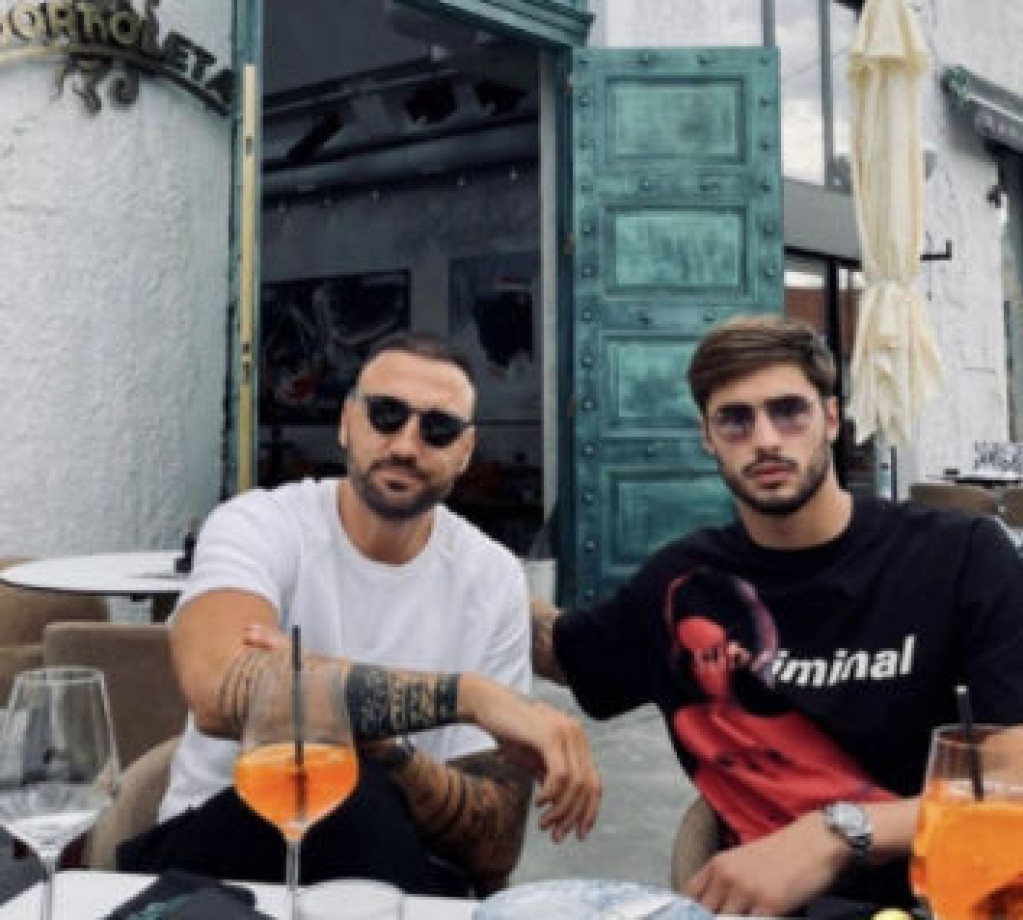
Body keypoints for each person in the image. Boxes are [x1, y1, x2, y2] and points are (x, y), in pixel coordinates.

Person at [531, 315, 1023, 915]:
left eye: (789, 411)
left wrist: (836, 833)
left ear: (832, 419)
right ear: (707, 436)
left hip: (951, 898)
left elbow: (1011, 795)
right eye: (735, 420)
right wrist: (450, 543)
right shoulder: (681, 587)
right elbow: (555, 647)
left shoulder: (960, 557)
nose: (765, 439)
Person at [119, 331, 600, 895]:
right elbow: (217, 687)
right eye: (386, 415)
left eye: (438, 429)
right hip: (226, 852)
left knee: (361, 786)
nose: (406, 445)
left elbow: (492, 850)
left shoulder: (492, 576)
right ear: (347, 422)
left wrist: (377, 743)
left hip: (394, 866)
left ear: (466, 452)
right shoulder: (260, 525)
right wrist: (470, 697)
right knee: (353, 794)